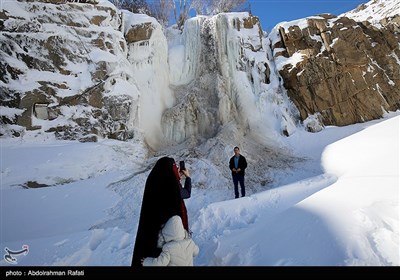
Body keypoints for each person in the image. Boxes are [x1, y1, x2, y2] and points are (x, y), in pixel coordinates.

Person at [131, 156, 192, 267]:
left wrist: (177, 178)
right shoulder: (171, 183)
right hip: (170, 235)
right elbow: (185, 193)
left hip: (154, 233)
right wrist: (187, 178)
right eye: (175, 166)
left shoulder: (154, 179)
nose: (177, 168)